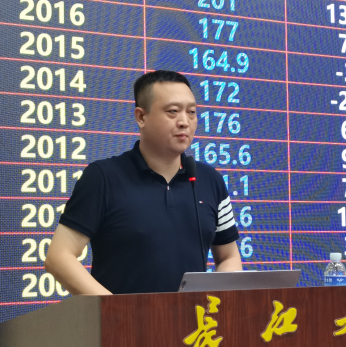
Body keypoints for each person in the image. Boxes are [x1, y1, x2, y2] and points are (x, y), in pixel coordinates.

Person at [44, 70, 243, 295]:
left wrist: (217, 301)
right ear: (141, 117)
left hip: (195, 318)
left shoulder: (210, 180)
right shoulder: (103, 177)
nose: (184, 122)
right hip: (122, 317)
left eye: (191, 112)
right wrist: (115, 309)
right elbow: (59, 257)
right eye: (173, 111)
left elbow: (228, 256)